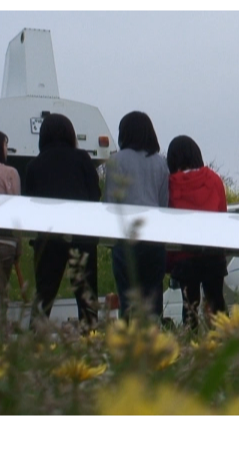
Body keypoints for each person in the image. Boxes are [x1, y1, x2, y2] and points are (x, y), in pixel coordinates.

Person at [24, 114, 101, 328]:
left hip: (48, 236)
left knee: (44, 294)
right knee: (86, 294)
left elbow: (29, 203)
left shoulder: (34, 165)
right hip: (81, 234)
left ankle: (35, 338)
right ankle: (90, 337)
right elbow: (94, 194)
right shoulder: (82, 159)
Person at [104, 111, 169, 320]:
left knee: (127, 297)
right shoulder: (161, 163)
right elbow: (164, 203)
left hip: (125, 237)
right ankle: (154, 334)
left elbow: (110, 202)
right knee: (153, 297)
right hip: (154, 238)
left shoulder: (116, 160)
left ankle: (128, 335)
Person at [166, 135, 228, 328]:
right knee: (217, 302)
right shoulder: (214, 179)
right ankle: (225, 338)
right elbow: (222, 213)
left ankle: (190, 339)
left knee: (189, 306)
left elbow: (168, 220)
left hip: (185, 254)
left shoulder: (171, 183)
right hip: (213, 251)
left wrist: (169, 259)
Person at [0, 129, 21, 332]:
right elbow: (15, 209)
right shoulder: (10, 173)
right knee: (0, 289)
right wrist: (18, 245)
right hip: (4, 241)